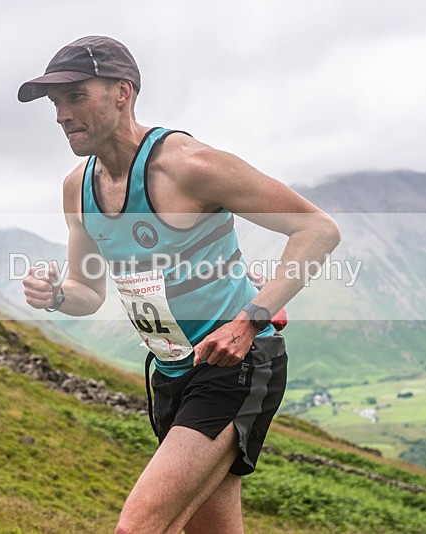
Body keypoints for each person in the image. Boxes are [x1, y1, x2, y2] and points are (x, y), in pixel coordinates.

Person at [18, 35, 340, 534]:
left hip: (235, 362)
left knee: (138, 527)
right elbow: (88, 291)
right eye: (56, 103)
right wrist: (58, 295)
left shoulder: (189, 166)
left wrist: (250, 321)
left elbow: (317, 229)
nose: (61, 114)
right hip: (169, 371)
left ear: (122, 93)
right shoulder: (75, 188)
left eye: (75, 96)